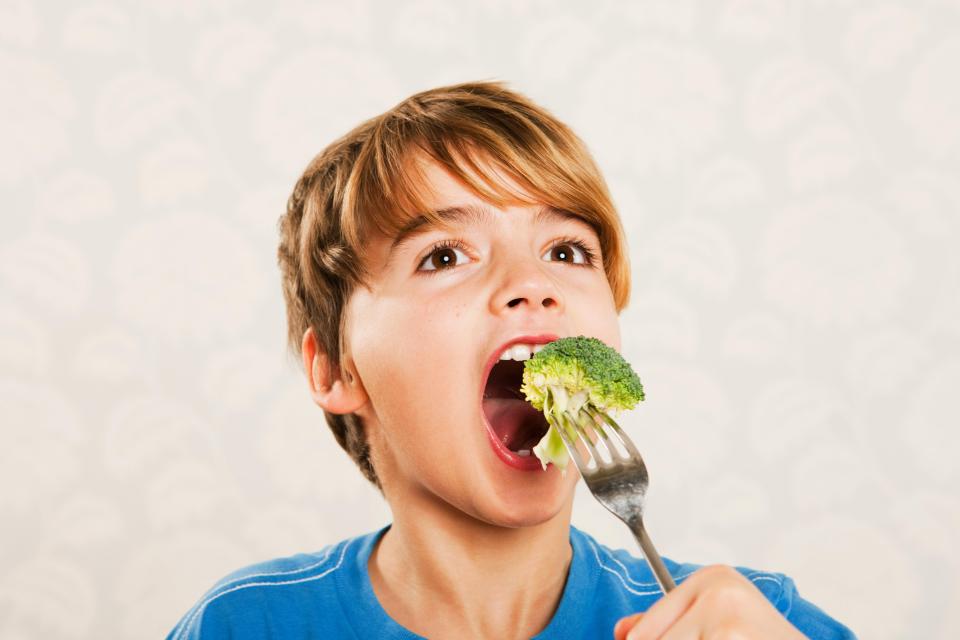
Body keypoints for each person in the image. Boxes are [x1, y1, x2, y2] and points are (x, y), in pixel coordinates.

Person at [166, 80, 857, 639]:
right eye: (444, 255)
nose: (534, 282)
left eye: (566, 251)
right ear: (337, 369)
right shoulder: (247, 625)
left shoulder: (757, 621)